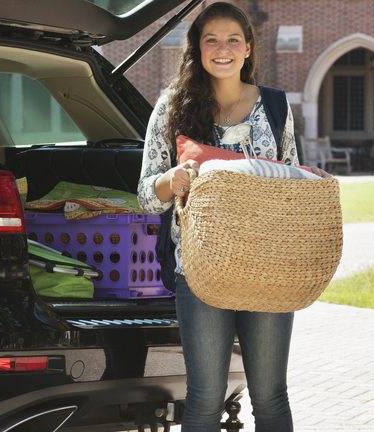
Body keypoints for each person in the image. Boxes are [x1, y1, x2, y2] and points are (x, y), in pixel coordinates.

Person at [137, 3, 329, 431]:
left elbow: (291, 184)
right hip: (199, 271)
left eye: (232, 40)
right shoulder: (172, 107)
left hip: (268, 269)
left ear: (247, 49)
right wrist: (173, 179)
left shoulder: (277, 108)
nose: (222, 49)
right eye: (211, 40)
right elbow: (146, 197)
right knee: (204, 399)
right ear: (197, 48)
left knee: (271, 398)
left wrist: (309, 182)